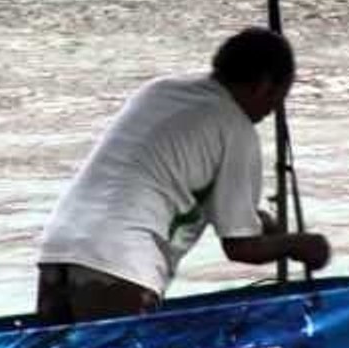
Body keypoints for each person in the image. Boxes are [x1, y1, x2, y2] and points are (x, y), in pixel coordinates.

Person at [36, 27, 331, 325]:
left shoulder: (160, 90)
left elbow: (168, 179)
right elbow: (241, 246)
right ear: (264, 85)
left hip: (59, 248)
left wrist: (263, 225)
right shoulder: (236, 127)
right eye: (278, 98)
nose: (273, 110)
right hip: (120, 261)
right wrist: (302, 245)